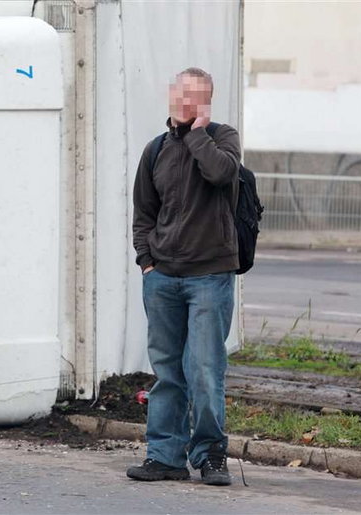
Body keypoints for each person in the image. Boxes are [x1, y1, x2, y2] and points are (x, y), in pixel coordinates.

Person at [126, 67, 241, 486]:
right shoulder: (155, 150)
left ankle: (210, 456)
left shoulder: (223, 139)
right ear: (170, 94)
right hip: (163, 279)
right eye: (181, 94)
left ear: (207, 102)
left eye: (196, 97)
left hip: (210, 276)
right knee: (167, 373)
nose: (185, 103)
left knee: (206, 370)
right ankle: (165, 457)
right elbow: (144, 211)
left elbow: (220, 174)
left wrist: (196, 133)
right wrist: (146, 261)